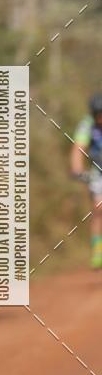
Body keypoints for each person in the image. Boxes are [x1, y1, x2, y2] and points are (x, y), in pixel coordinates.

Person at [71, 92, 102, 269]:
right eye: (97, 115)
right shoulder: (87, 125)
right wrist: (77, 170)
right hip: (97, 171)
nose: (100, 118)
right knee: (99, 208)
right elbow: (78, 148)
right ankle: (98, 251)